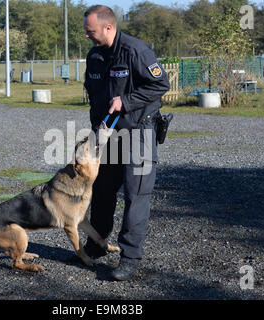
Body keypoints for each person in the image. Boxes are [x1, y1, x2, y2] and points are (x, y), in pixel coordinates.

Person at [83, 5, 170, 281]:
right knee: (102, 191)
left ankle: (130, 258)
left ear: (108, 27)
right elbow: (95, 97)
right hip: (110, 136)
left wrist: (127, 101)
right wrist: (96, 135)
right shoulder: (94, 56)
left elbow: (160, 85)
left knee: (136, 196)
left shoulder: (135, 51)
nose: (87, 36)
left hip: (139, 132)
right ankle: (96, 246)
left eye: (91, 31)